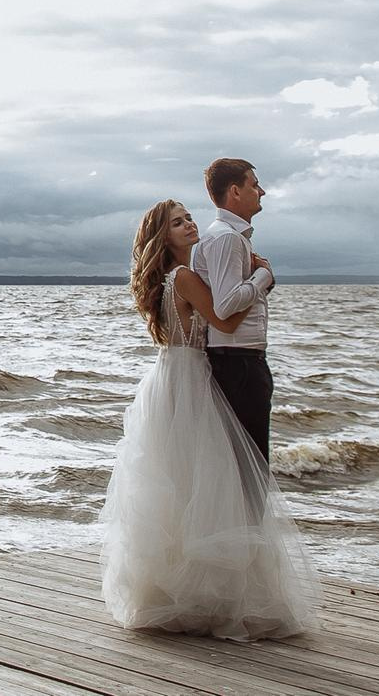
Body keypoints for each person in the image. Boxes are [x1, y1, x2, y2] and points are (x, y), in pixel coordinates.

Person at [98, 198, 321, 641]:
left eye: (189, 218)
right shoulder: (181, 277)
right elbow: (225, 318)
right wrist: (262, 277)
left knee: (183, 485)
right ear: (163, 238)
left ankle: (182, 591)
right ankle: (209, 595)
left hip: (170, 377)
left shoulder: (172, 277)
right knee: (207, 482)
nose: (189, 226)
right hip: (193, 378)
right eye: (177, 223)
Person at [192, 158, 275, 460]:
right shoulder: (227, 238)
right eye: (254, 184)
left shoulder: (227, 236)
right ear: (235, 191)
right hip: (239, 363)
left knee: (243, 466)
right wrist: (264, 276)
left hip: (238, 361)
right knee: (251, 469)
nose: (262, 191)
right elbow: (225, 305)